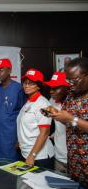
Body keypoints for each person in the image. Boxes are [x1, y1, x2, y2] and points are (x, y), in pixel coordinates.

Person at [46, 57, 88, 187]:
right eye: (68, 80)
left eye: (74, 79)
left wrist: (71, 119)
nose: (70, 84)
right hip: (74, 164)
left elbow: (72, 120)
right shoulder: (71, 93)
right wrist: (57, 115)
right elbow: (70, 121)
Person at [17, 69, 54, 169]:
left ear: (38, 86)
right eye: (25, 83)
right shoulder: (29, 102)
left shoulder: (43, 104)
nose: (27, 86)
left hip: (39, 157)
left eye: (31, 83)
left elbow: (45, 133)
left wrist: (32, 155)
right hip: (26, 153)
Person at [0, 58, 26, 160]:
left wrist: (20, 139)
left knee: (11, 169)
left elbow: (24, 115)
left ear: (9, 70)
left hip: (11, 137)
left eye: (0, 70)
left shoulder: (18, 89)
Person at [44, 72, 69, 173]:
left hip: (76, 158)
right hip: (59, 156)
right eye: (50, 88)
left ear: (66, 88)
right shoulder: (52, 101)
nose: (51, 91)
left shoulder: (76, 104)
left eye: (55, 88)